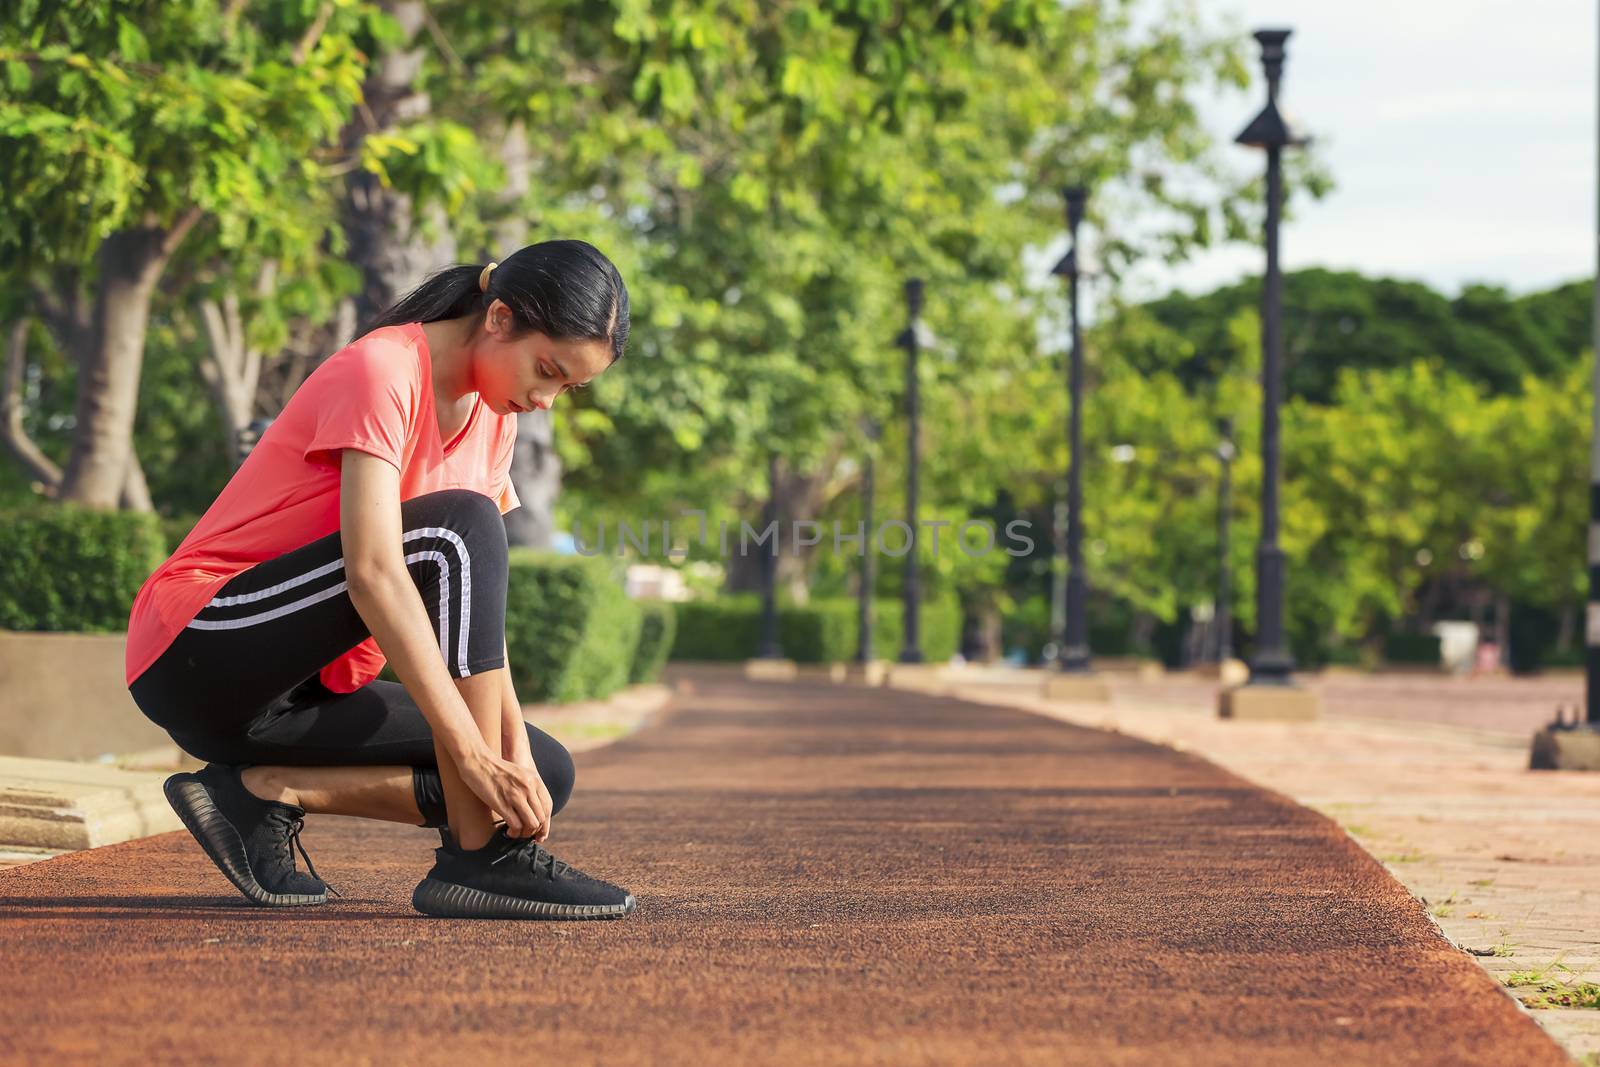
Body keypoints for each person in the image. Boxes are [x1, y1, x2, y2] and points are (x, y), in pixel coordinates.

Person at [126, 240, 635, 920]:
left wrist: (503, 753)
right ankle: (478, 861)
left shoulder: (494, 415)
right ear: (500, 317)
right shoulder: (384, 369)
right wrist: (470, 754)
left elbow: (474, 630)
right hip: (199, 645)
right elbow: (373, 572)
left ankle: (261, 792)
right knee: (460, 525)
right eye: (546, 370)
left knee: (542, 770)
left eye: (566, 387)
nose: (545, 399)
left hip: (295, 699)